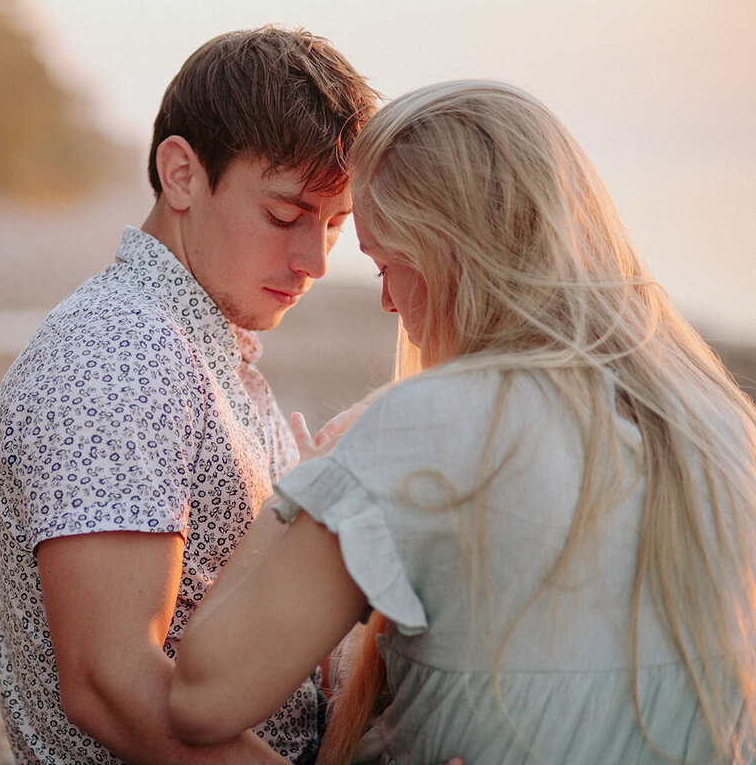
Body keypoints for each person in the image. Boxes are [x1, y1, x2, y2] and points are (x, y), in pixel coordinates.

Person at [168, 80, 756, 764]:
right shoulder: (716, 417)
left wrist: (307, 485)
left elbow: (202, 697)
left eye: (390, 263)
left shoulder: (427, 428)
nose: (387, 301)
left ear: (449, 253)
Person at [0, 26, 380, 764]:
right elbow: (109, 682)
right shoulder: (117, 351)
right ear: (183, 175)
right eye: (287, 217)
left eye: (335, 225)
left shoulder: (193, 342)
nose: (316, 261)